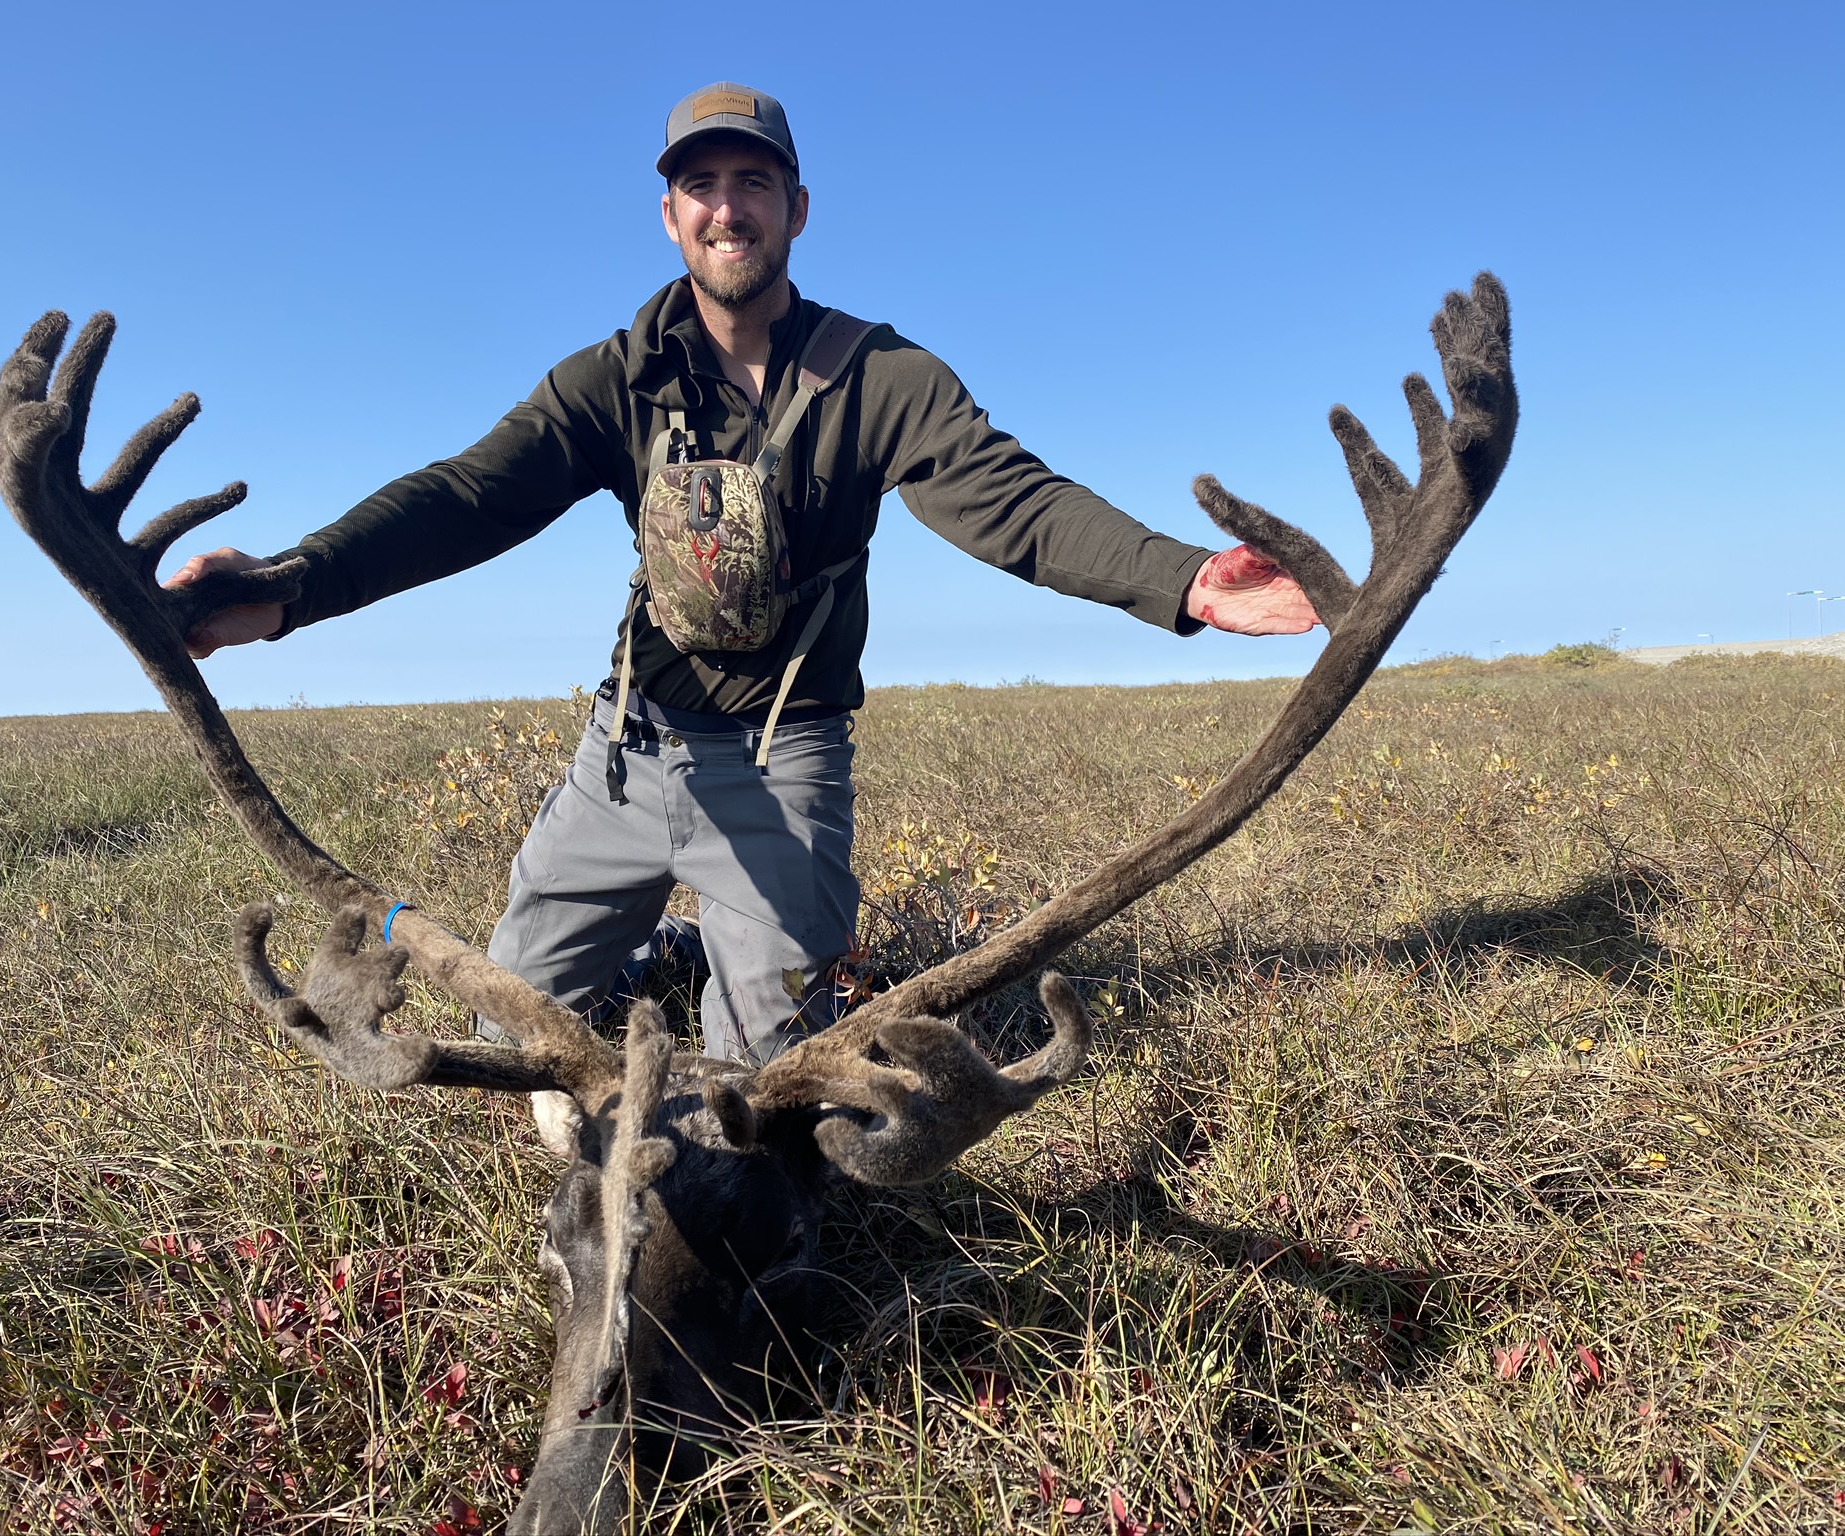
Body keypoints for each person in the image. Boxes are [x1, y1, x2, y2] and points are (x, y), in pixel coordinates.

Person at [168, 83, 1319, 1065]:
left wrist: (1187, 580)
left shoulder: (879, 375)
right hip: (624, 754)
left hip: (784, 762)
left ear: (795, 211)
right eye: (702, 184)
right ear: (669, 214)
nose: (728, 207)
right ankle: (677, 949)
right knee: (526, 1024)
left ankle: (739, 952)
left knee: (764, 1075)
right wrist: (289, 586)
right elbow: (471, 495)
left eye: (753, 183)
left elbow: (1004, 498)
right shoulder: (613, 378)